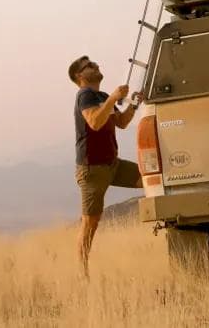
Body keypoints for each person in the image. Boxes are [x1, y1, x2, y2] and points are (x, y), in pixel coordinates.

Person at [68, 55, 144, 279]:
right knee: (90, 222)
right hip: (92, 169)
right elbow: (94, 122)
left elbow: (121, 123)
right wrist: (113, 98)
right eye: (89, 66)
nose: (96, 65)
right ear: (80, 76)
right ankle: (82, 273)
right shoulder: (85, 96)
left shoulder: (100, 96)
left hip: (112, 164)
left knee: (150, 179)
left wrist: (133, 103)